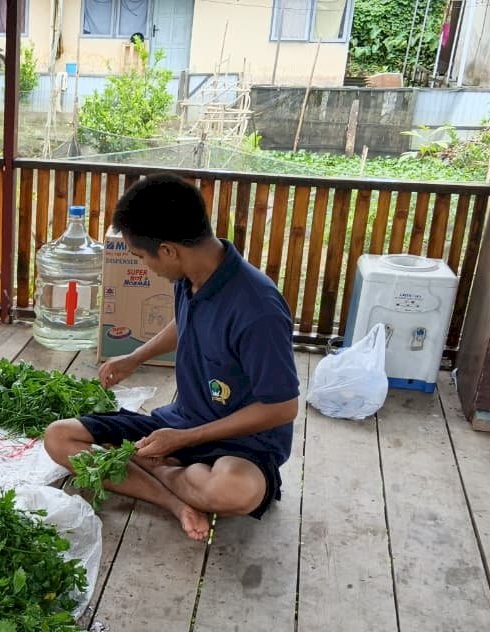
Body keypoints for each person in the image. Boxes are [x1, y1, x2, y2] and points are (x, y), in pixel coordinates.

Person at [44, 173, 300, 541]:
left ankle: (152, 468)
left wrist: (182, 441)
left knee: (232, 490)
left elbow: (282, 407)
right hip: (178, 426)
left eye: (141, 256)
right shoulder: (191, 275)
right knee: (59, 437)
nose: (146, 267)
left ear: (168, 250)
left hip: (241, 446)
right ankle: (174, 501)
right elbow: (186, 322)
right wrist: (135, 356)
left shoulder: (258, 309)